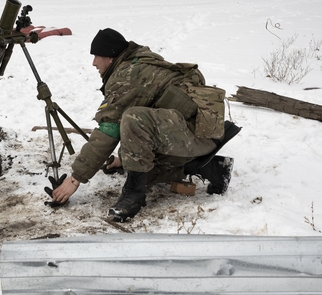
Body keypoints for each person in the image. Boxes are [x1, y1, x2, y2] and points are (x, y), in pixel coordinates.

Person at [49, 28, 237, 221]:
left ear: (111, 58)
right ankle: (213, 168)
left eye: (98, 56)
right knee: (138, 165)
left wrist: (75, 178)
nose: (94, 62)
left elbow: (110, 130)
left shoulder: (128, 75)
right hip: (193, 133)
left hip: (196, 135)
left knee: (133, 119)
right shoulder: (137, 61)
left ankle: (133, 195)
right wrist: (124, 158)